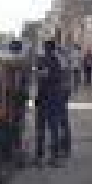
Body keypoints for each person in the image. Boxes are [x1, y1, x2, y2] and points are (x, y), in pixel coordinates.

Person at [35, 40, 71, 168]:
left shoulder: (43, 61)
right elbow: (59, 79)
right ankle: (53, 157)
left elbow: (41, 80)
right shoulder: (57, 61)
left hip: (45, 99)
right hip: (54, 99)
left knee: (41, 129)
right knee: (53, 129)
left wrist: (38, 98)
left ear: (46, 49)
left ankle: (40, 157)